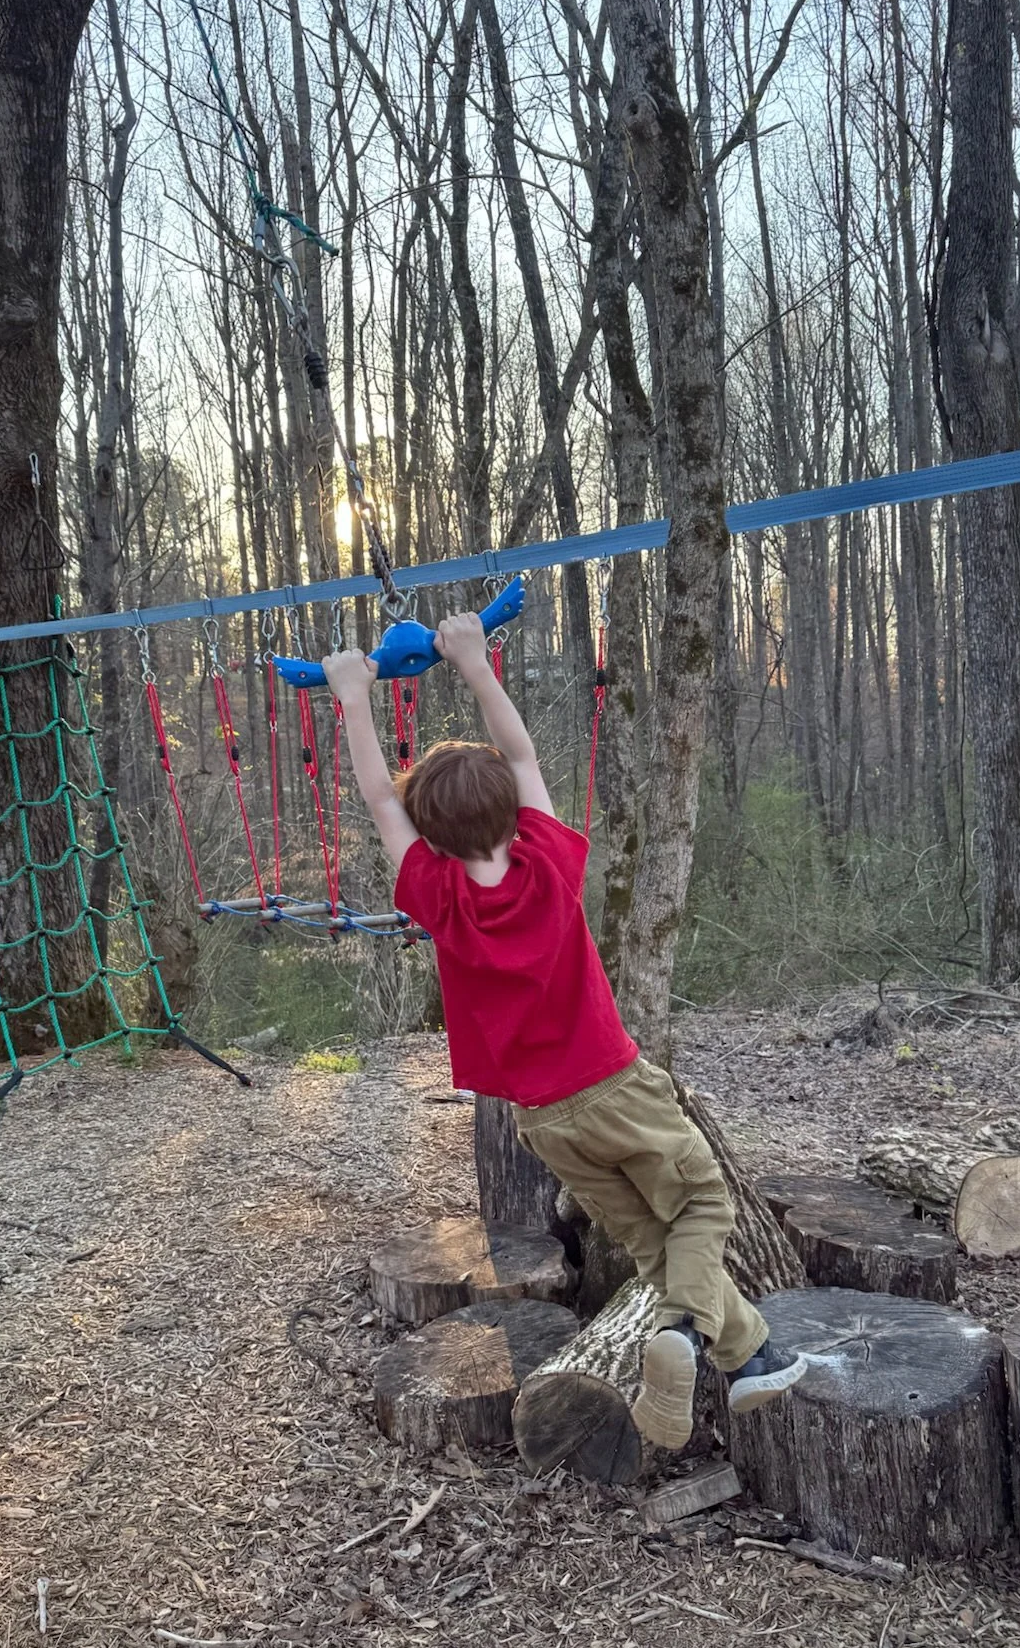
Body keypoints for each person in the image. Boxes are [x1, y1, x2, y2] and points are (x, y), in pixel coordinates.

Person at [323, 610, 805, 1449]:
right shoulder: (549, 859)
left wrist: (353, 701)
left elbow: (375, 794)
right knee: (702, 1200)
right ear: (513, 816)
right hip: (614, 1083)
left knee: (651, 1236)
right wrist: (473, 663)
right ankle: (684, 1336)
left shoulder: (435, 896)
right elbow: (523, 755)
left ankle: (749, 1356)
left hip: (542, 1120)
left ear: (429, 836)